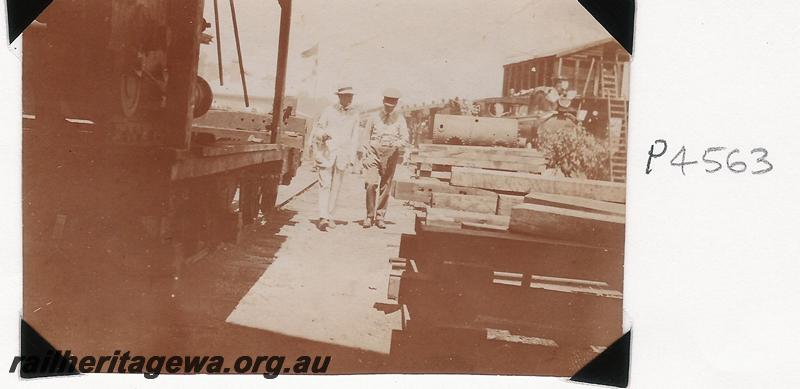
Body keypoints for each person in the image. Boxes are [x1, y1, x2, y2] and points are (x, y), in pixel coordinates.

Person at [310, 86, 360, 231]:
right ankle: (323, 216)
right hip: (327, 153)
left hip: (342, 155)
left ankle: (330, 215)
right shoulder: (328, 111)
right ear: (339, 97)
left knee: (336, 186)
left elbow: (355, 136)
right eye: (346, 96)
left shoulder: (355, 114)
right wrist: (322, 135)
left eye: (351, 96)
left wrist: (352, 157)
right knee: (325, 184)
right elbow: (318, 129)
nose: (350, 99)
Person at [360, 88, 409, 229]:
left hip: (391, 154)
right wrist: (367, 151)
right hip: (374, 152)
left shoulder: (400, 119)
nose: (389, 107)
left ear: (396, 103)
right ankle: (369, 216)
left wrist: (396, 144)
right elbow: (365, 136)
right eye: (387, 104)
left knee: (386, 186)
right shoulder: (374, 117)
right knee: (370, 184)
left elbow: (405, 138)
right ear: (383, 102)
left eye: (392, 105)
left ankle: (380, 216)